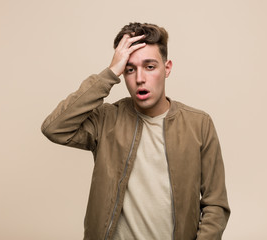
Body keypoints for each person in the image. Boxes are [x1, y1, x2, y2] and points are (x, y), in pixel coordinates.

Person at [41, 22, 230, 240]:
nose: (140, 78)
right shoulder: (106, 119)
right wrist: (110, 72)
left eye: (150, 67)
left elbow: (215, 204)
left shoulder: (199, 124)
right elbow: (54, 128)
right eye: (130, 69)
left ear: (167, 68)